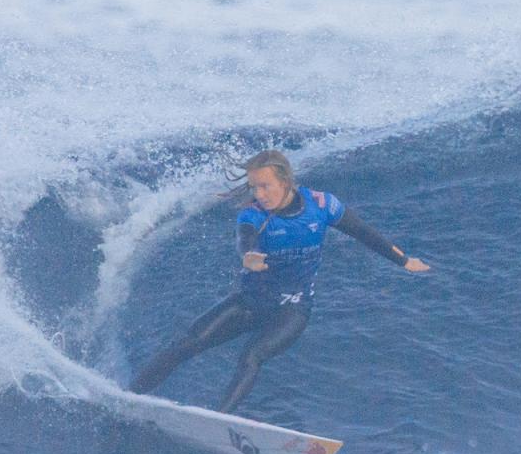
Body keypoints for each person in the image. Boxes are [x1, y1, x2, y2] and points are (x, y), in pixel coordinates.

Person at [129, 149, 430, 412]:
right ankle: (131, 395)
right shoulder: (253, 214)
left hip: (292, 310)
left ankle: (218, 419)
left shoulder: (322, 205)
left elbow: (363, 232)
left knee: (252, 356)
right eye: (254, 187)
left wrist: (404, 261)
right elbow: (245, 239)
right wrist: (248, 255)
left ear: (285, 180)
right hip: (250, 303)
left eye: (265, 186)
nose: (259, 194)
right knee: (188, 343)